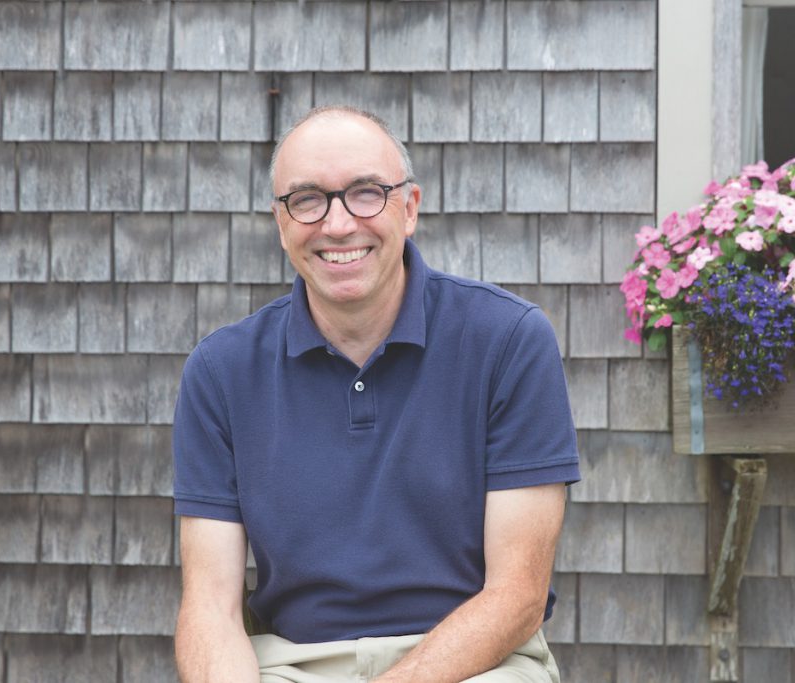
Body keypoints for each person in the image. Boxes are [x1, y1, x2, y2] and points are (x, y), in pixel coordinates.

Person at [172, 106, 580, 683]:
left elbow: (516, 596)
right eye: (308, 199)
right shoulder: (221, 372)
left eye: (366, 193)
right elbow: (210, 609)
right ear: (281, 222)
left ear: (409, 208)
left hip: (476, 664)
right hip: (295, 663)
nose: (338, 225)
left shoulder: (507, 340)